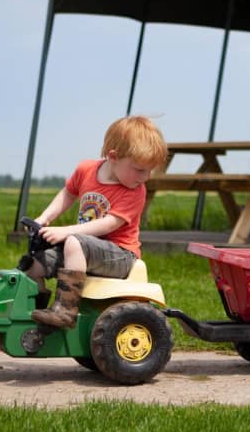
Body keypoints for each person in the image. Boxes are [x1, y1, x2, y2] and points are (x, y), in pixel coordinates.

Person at [20, 114, 167, 341]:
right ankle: (28, 316)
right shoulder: (86, 169)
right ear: (113, 156)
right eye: (139, 169)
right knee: (33, 266)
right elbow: (68, 193)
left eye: (150, 170)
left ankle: (65, 310)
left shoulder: (135, 192)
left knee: (73, 242)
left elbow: (108, 224)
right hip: (83, 249)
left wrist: (65, 231)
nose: (145, 177)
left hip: (120, 256)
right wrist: (44, 218)